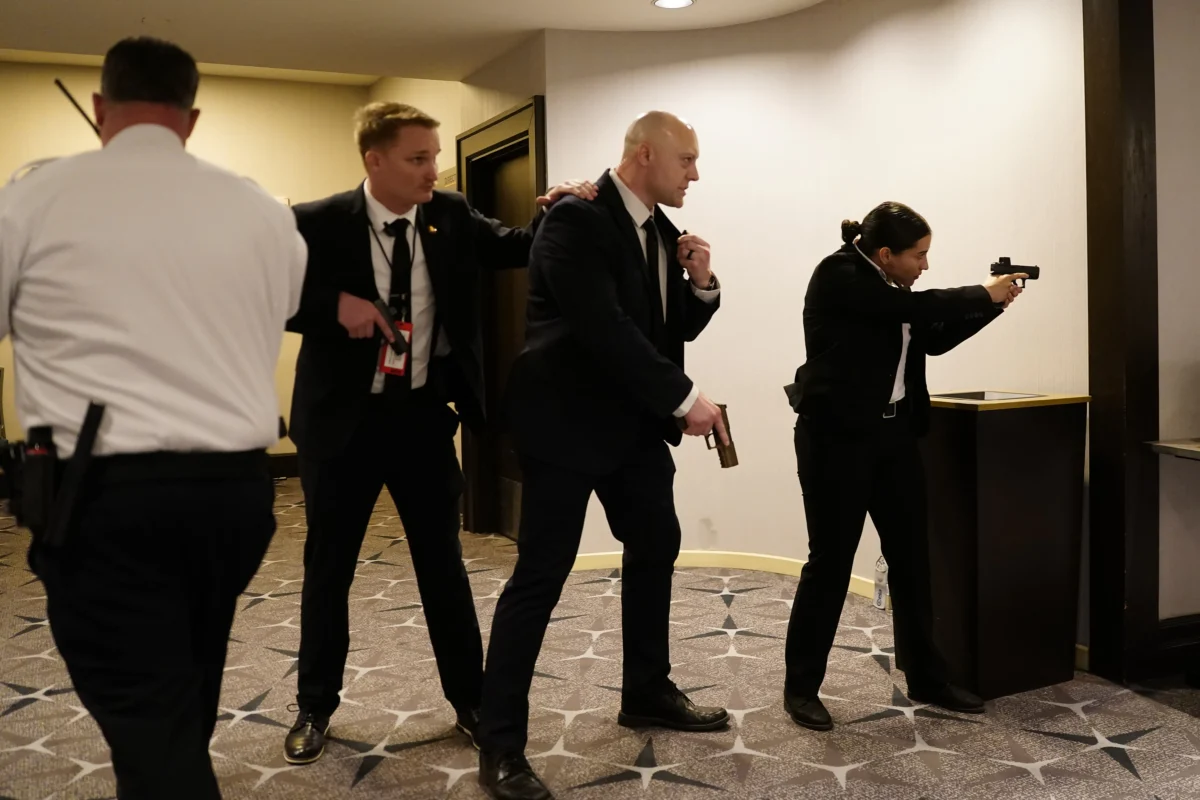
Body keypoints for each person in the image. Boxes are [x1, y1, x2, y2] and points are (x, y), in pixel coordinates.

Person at [0, 37, 305, 799]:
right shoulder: (263, 209)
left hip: (107, 502)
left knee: (149, 722)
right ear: (190, 116)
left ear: (101, 106)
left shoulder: (30, 198)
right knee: (183, 687)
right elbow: (280, 308)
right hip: (237, 497)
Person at [282, 101, 597, 765]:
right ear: (375, 160)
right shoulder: (314, 223)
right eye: (417, 158)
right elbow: (259, 288)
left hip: (422, 418)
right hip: (342, 424)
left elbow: (512, 247)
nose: (432, 169)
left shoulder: (448, 214)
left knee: (443, 566)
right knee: (328, 565)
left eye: (433, 156)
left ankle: (472, 701)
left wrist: (554, 213)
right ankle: (316, 703)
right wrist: (330, 308)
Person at [476, 111, 731, 800]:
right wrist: (685, 399)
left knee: (656, 544)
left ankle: (646, 690)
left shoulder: (664, 234)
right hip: (563, 427)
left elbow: (660, 329)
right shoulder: (573, 221)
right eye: (687, 160)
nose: (696, 175)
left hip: (633, 432)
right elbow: (603, 329)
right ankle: (500, 745)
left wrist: (701, 286)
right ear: (645, 154)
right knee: (540, 577)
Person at [782, 202, 1025, 731]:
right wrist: (982, 292)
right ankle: (801, 689)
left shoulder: (895, 293)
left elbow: (931, 337)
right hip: (836, 440)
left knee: (913, 560)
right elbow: (914, 311)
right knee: (830, 563)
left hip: (893, 436)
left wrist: (995, 306)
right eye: (919, 255)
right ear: (885, 254)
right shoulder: (840, 275)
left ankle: (927, 677)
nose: (926, 266)